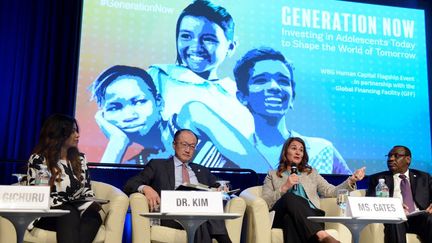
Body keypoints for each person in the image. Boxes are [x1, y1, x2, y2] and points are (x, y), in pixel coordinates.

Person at [180, 47, 351, 174]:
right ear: (242, 97)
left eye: (283, 81)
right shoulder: (225, 150)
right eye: (261, 80)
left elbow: (352, 192)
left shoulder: (320, 149)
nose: (274, 87)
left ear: (292, 96)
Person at [147, 0, 255, 168]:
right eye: (186, 36)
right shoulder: (160, 76)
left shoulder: (237, 94)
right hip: (169, 175)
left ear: (231, 46)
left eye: (209, 39)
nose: (195, 46)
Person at [123, 129, 232, 243]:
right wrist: (146, 188)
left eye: (192, 146)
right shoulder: (158, 165)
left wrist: (221, 186)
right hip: (172, 215)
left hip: (197, 213)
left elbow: (219, 183)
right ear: (174, 145)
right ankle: (224, 239)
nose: (188, 150)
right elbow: (130, 184)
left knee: (202, 217)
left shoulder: (201, 170)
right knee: (204, 217)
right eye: (184, 144)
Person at [262, 137, 365, 243]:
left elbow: (330, 191)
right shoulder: (273, 175)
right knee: (289, 197)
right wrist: (284, 187)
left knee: (289, 219)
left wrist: (351, 180)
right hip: (280, 214)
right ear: (285, 152)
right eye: (294, 148)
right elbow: (265, 202)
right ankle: (323, 235)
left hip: (311, 217)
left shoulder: (311, 173)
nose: (298, 152)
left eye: (301, 150)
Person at [26, 114, 102, 243]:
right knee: (68, 213)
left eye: (76, 130)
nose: (77, 135)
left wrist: (91, 202)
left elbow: (87, 191)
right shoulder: (40, 160)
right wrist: (68, 206)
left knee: (93, 216)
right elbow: (40, 194)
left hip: (77, 210)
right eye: (72, 131)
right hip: (49, 213)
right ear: (59, 135)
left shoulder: (80, 159)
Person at [90, 65, 173, 164]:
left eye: (139, 102)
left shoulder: (189, 117)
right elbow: (101, 179)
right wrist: (117, 141)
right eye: (115, 107)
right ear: (103, 117)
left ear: (159, 102)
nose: (129, 115)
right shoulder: (134, 164)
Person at [366, 145, 432, 243]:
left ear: (408, 159)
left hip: (420, 218)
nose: (390, 159)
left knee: (430, 219)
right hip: (396, 217)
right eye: (389, 156)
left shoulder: (423, 177)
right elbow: (370, 201)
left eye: (396, 156)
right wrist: (394, 207)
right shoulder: (377, 178)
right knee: (395, 220)